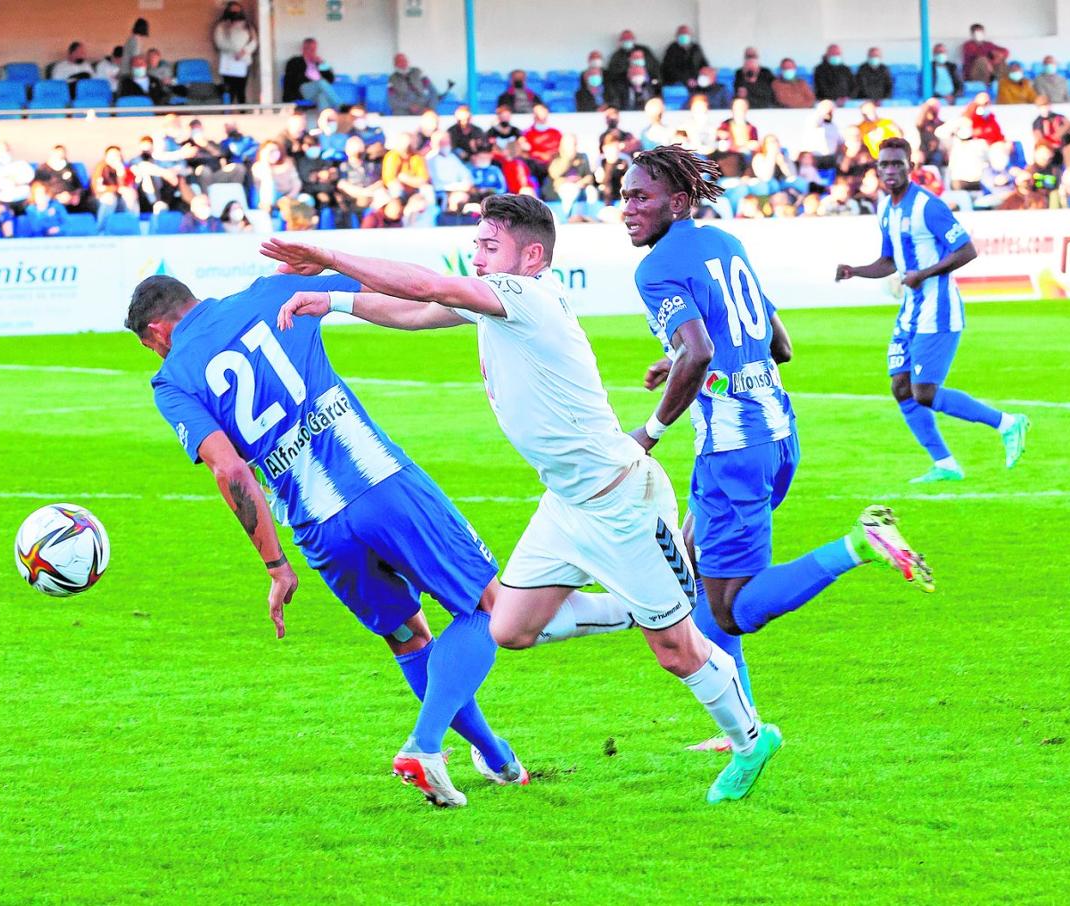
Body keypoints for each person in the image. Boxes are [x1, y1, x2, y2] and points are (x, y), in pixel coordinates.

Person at [262, 193, 779, 804]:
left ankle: (750, 741)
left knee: (675, 651)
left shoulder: (527, 298)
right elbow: (416, 310)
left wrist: (325, 256)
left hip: (621, 499)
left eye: (489, 247)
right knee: (508, 628)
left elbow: (432, 287)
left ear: (531, 256)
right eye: (476, 246)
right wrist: (334, 300)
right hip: (566, 503)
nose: (477, 257)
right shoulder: (501, 302)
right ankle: (639, 605)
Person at [126, 271, 524, 807]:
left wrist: (276, 565)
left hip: (316, 526)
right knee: (490, 609)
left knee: (408, 636)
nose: (156, 355)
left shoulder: (172, 380)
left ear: (158, 329)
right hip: (379, 480)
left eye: (148, 345)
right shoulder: (269, 293)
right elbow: (372, 279)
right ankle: (425, 745)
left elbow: (231, 472)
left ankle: (499, 758)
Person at [620, 144, 933, 755]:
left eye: (640, 197)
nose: (626, 208)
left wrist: (650, 432)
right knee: (694, 562)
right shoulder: (726, 246)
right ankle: (745, 727)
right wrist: (678, 358)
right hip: (779, 432)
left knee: (732, 608)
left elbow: (705, 351)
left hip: (733, 451)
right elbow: (776, 343)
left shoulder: (655, 269)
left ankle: (858, 545)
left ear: (677, 203)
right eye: (624, 196)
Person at [835, 137, 1029, 483]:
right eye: (885, 164)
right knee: (900, 387)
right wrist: (855, 270)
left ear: (911, 166)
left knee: (923, 391)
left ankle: (1007, 423)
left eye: (898, 163)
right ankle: (945, 464)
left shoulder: (928, 206)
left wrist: (923, 274)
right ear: (877, 169)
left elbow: (966, 250)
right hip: (910, 312)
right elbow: (888, 261)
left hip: (938, 312)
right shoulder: (886, 208)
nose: (891, 170)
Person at [213, 2, 257, 105]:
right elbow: (219, 43)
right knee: (229, 90)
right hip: (228, 62)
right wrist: (234, 51)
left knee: (241, 90)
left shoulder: (248, 25)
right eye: (232, 10)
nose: (235, 13)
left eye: (237, 10)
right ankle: (228, 113)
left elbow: (254, 41)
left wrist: (244, 51)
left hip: (243, 61)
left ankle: (243, 112)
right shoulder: (221, 26)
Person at [282, 38, 338, 107]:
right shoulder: (295, 61)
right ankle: (341, 106)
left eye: (314, 49)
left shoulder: (319, 63)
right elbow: (295, 79)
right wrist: (316, 82)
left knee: (321, 96)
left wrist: (322, 64)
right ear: (303, 49)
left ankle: (325, 117)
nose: (313, 52)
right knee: (321, 82)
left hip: (316, 91)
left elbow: (331, 79)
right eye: (310, 49)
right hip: (302, 90)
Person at [92, 145, 140, 224]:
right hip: (101, 201)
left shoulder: (124, 169)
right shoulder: (101, 168)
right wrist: (117, 189)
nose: (116, 158)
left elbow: (127, 188)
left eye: (118, 155)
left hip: (119, 201)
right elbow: (98, 189)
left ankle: (131, 227)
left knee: (130, 195)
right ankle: (101, 230)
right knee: (110, 198)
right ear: (106, 157)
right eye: (112, 155)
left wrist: (120, 174)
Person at [606, 29, 660, 98]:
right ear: (620, 42)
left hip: (648, 85)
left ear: (634, 40)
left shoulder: (644, 50)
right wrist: (630, 73)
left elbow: (654, 66)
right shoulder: (617, 56)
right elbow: (613, 74)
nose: (627, 42)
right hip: (625, 87)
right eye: (625, 40)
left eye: (629, 39)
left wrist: (654, 80)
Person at [661, 24, 708, 88]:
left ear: (690, 35)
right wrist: (686, 80)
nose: (684, 35)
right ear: (677, 36)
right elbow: (669, 69)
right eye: (681, 33)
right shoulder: (672, 49)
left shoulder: (696, 48)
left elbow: (704, 64)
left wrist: (704, 75)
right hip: (677, 83)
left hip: (696, 81)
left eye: (686, 33)